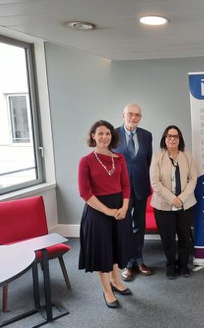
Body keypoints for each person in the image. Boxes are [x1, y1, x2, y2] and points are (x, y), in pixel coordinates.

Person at [78, 120, 136, 309]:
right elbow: (85, 193)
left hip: (119, 209)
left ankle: (116, 281)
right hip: (97, 212)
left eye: (108, 134)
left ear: (112, 136)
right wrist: (108, 211)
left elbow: (126, 185)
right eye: (100, 133)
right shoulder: (85, 161)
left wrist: (125, 207)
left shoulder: (119, 158)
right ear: (93, 136)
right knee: (103, 252)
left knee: (116, 248)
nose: (104, 137)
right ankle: (107, 291)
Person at [150, 125, 198, 279]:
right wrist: (172, 199)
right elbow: (155, 182)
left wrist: (181, 198)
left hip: (185, 203)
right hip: (163, 205)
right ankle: (170, 265)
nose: (172, 139)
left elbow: (193, 179)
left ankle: (183, 265)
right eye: (169, 136)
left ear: (180, 139)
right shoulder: (158, 157)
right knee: (168, 237)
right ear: (165, 139)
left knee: (184, 236)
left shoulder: (187, 156)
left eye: (175, 136)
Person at [113, 104, 154, 281]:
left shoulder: (146, 135)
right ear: (122, 115)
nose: (133, 117)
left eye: (137, 115)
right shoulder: (113, 135)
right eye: (130, 114)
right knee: (125, 227)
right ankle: (128, 263)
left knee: (139, 225)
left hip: (141, 188)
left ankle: (139, 259)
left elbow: (146, 160)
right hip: (121, 191)